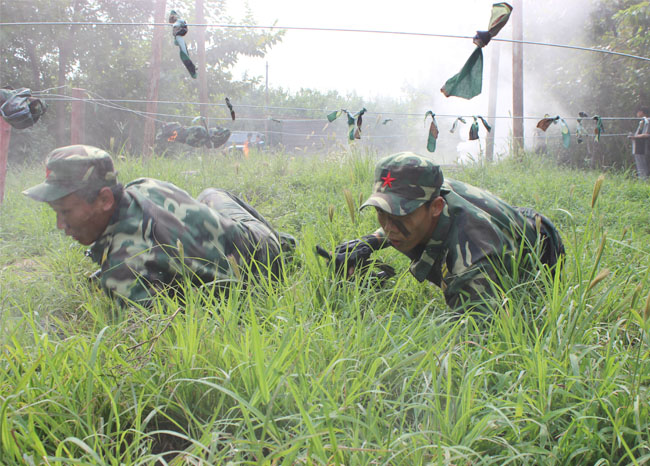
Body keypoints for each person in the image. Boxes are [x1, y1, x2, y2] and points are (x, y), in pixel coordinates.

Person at [23, 145, 293, 307]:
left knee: (211, 192)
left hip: (266, 255)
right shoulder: (142, 186)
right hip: (237, 241)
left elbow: (152, 339)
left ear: (105, 199)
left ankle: (286, 243)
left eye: (65, 211)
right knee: (209, 194)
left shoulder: (123, 269)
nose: (60, 224)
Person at [334, 152, 565, 314]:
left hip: (536, 248)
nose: (388, 226)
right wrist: (369, 242)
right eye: (381, 212)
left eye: (401, 215)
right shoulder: (429, 190)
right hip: (504, 219)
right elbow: (396, 221)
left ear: (436, 207)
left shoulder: (471, 263)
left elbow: (478, 343)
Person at [629, 107, 650, 180]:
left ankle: (644, 183)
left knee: (643, 167)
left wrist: (637, 136)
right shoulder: (642, 122)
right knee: (640, 167)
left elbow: (647, 134)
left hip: (643, 148)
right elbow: (639, 132)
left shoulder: (648, 121)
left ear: (642, 112)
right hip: (637, 147)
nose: (637, 113)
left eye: (638, 112)